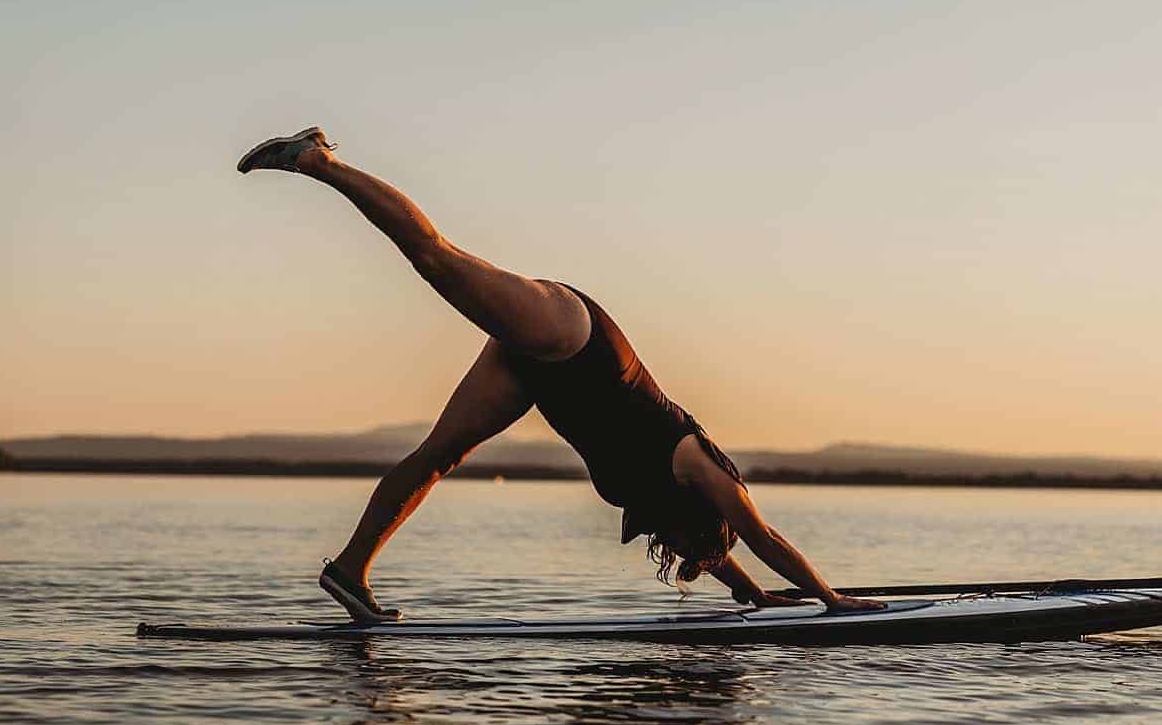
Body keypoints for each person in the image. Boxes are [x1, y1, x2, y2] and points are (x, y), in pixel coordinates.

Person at [237, 127, 885, 621]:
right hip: (576, 337)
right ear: (704, 517)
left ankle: (350, 572)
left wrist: (761, 599)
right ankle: (319, 158)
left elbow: (723, 556)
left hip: (539, 377)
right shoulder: (697, 462)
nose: (679, 551)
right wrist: (830, 600)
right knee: (437, 261)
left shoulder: (670, 510)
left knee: (439, 455)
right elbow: (760, 536)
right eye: (696, 547)